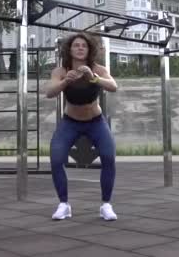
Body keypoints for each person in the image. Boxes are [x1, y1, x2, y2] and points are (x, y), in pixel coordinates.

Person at [44, 33, 119, 221]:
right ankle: (64, 205)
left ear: (89, 50)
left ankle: (106, 205)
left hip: (95, 121)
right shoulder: (61, 71)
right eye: (76, 45)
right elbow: (49, 92)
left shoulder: (98, 69)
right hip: (70, 122)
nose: (79, 48)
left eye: (83, 46)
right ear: (69, 50)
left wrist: (94, 78)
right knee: (56, 158)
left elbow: (113, 86)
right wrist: (66, 81)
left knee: (109, 157)